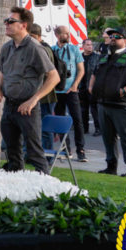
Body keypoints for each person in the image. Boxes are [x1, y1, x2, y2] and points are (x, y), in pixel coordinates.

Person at [0, 7, 61, 174]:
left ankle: (45, 186)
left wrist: (34, 99)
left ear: (23, 25)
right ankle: (17, 185)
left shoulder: (35, 47)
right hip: (9, 107)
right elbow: (2, 72)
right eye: (6, 21)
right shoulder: (6, 47)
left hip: (27, 109)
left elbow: (54, 77)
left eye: (10, 21)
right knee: (12, 154)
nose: (6, 24)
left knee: (34, 153)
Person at [90, 26, 126, 178]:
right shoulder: (104, 57)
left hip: (122, 106)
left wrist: (124, 91)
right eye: (111, 36)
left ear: (125, 40)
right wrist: (91, 87)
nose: (113, 39)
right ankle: (111, 167)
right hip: (103, 104)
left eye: (117, 36)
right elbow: (95, 73)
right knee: (108, 138)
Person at [52, 25, 87, 162]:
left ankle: (81, 150)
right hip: (56, 91)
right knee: (60, 121)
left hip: (71, 91)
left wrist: (74, 85)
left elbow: (81, 70)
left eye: (68, 33)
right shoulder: (52, 50)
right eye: (65, 33)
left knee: (77, 120)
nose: (68, 35)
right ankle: (66, 149)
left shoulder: (74, 49)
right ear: (58, 35)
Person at [27, 24, 60, 149]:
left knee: (45, 130)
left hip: (46, 96)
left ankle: (48, 156)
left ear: (37, 36)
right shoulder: (40, 47)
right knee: (38, 128)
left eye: (31, 36)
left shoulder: (43, 49)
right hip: (41, 95)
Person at [80, 39, 101, 136]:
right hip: (82, 87)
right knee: (83, 109)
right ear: (83, 46)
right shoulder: (79, 57)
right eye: (88, 45)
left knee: (94, 109)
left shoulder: (97, 57)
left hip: (92, 87)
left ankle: (98, 128)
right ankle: (85, 128)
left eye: (91, 45)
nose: (90, 46)